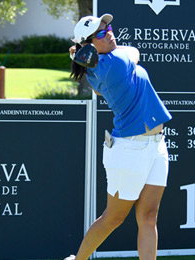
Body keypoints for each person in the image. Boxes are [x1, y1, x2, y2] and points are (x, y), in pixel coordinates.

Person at [66, 13, 172, 260]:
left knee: (149, 216)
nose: (110, 33)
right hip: (129, 151)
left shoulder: (97, 68)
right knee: (113, 218)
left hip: (156, 147)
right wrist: (80, 54)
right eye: (102, 33)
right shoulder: (115, 62)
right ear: (89, 45)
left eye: (108, 27)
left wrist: (80, 55)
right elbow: (134, 51)